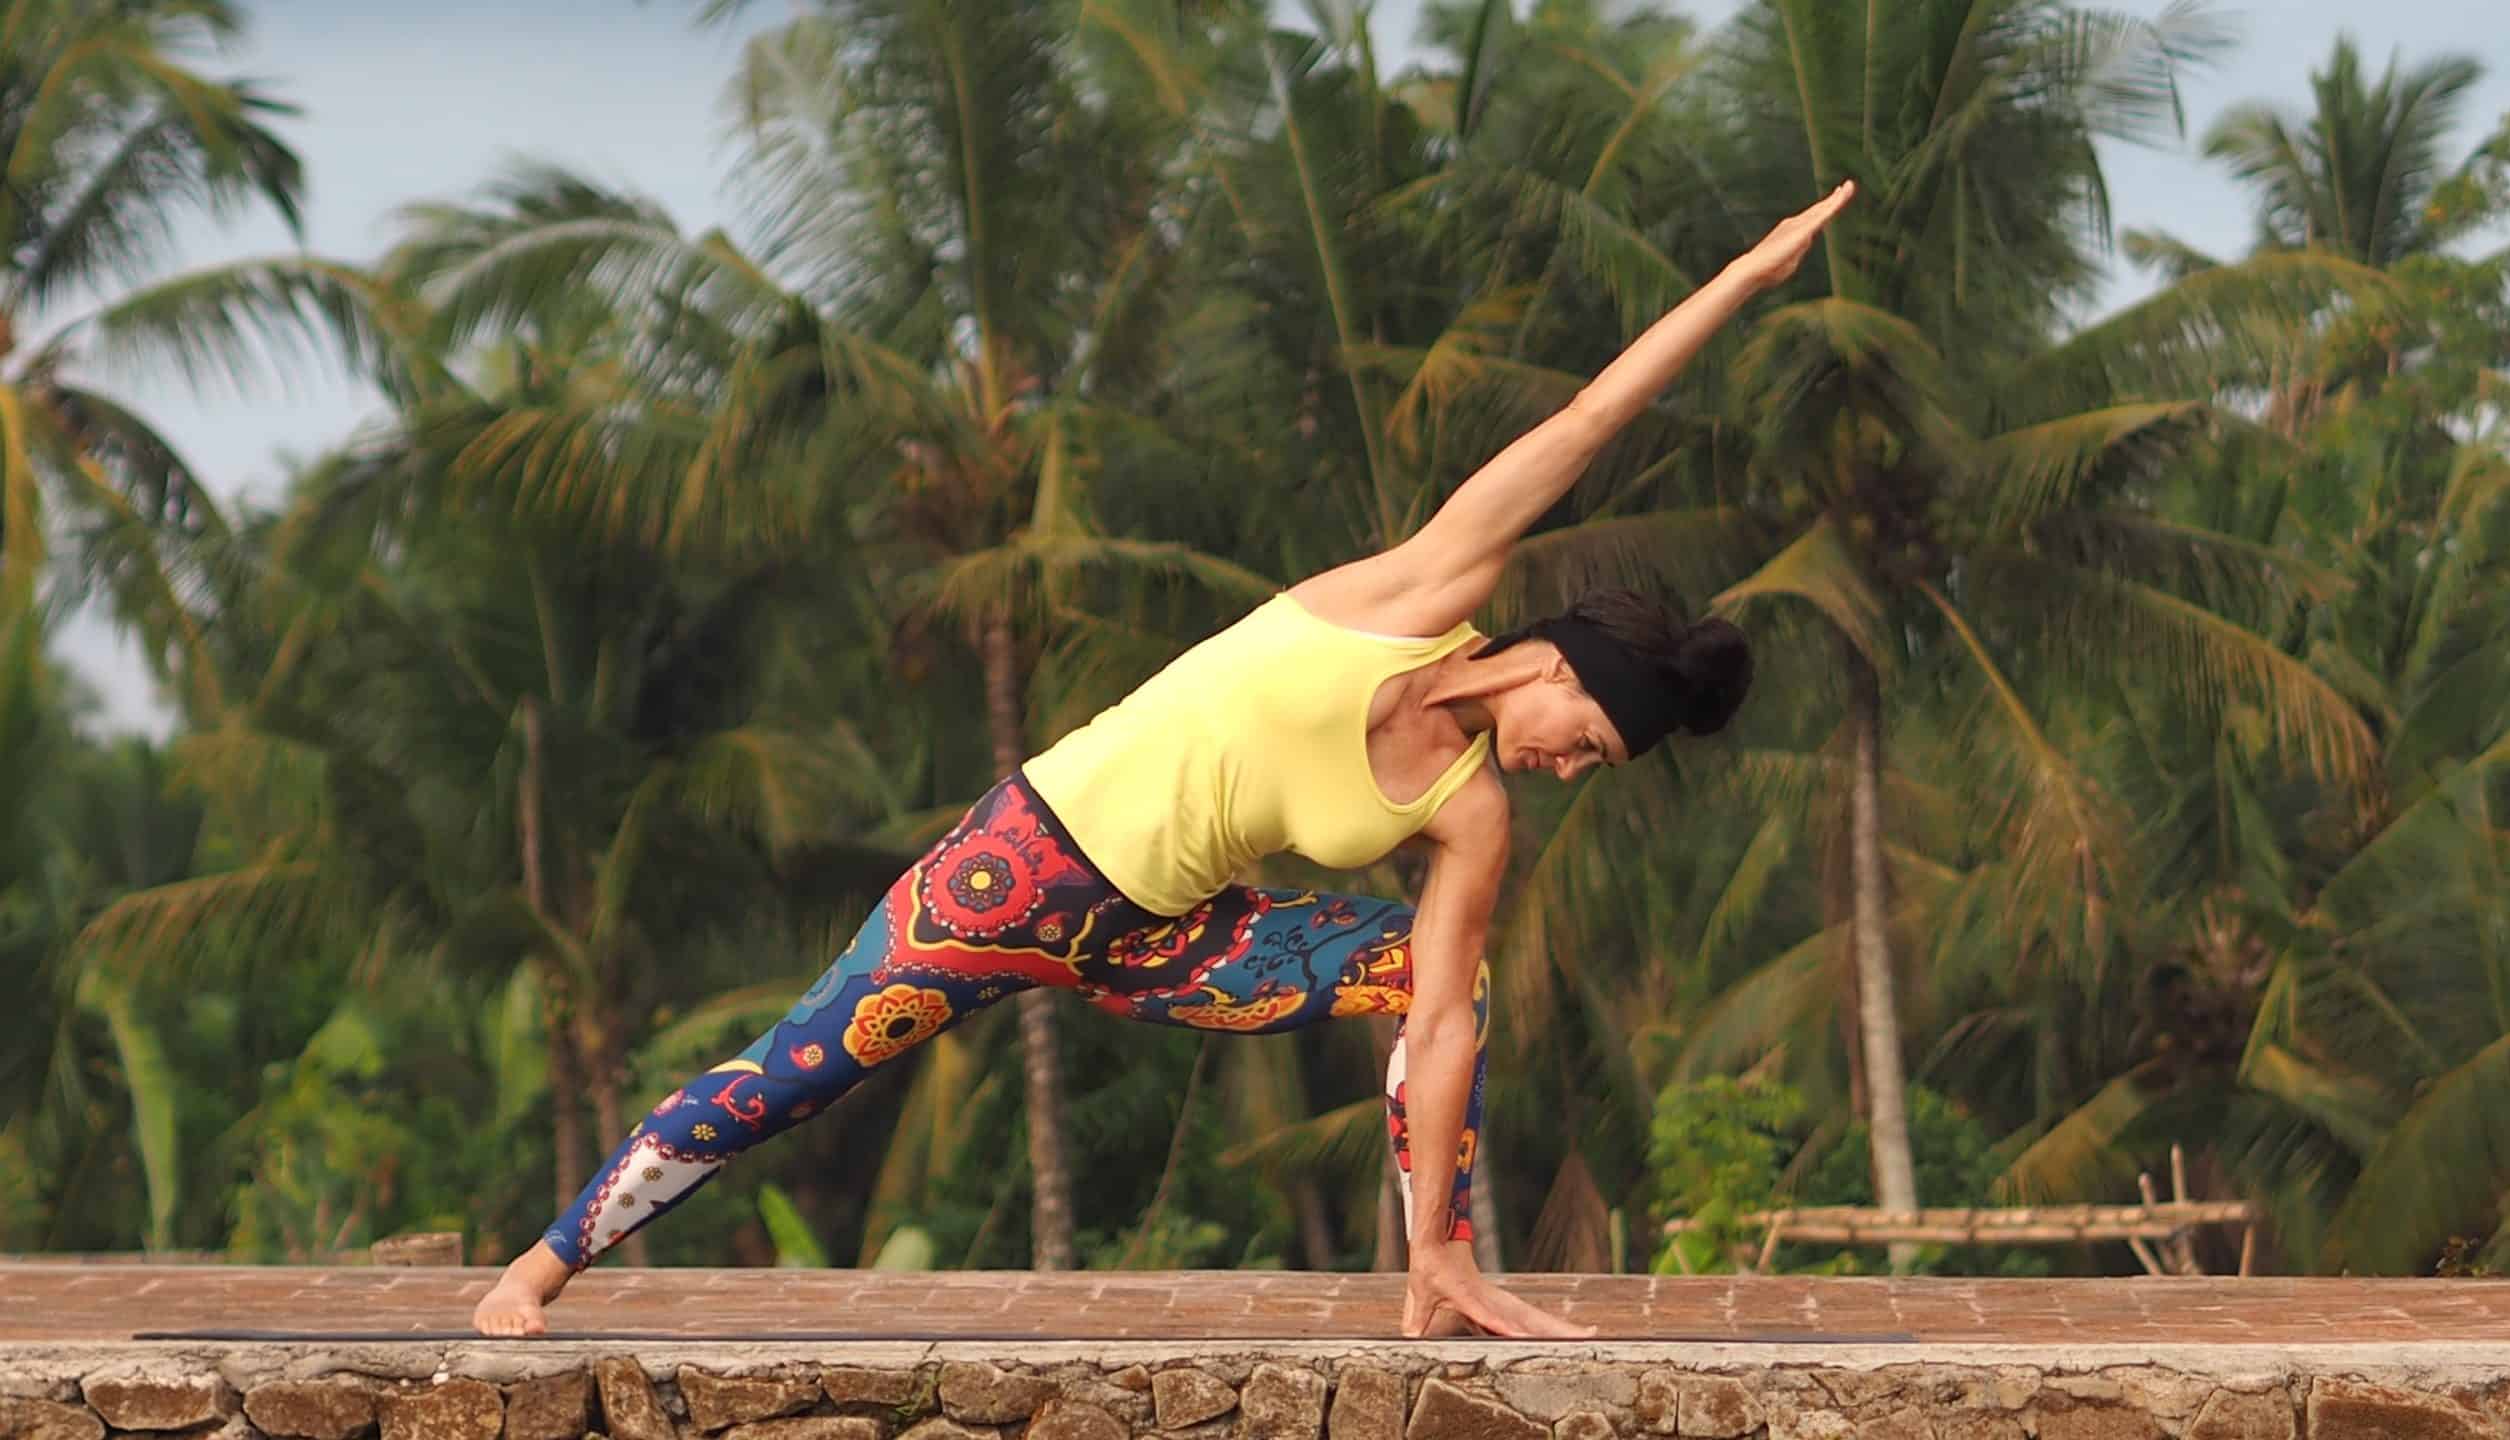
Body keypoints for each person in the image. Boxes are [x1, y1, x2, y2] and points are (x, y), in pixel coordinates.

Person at [472, 180, 1856, 1340]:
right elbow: (1583, 427)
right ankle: (538, 1272)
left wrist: (1442, 1238)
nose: (1571, 771)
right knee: (798, 1071)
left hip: (1166, 945)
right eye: (1590, 743)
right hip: (1011, 877)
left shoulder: (1472, 816)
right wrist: (1744, 275)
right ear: (1558, 669)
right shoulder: (1418, 589)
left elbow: (1436, 1029)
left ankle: (1428, 1276)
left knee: (1431, 976)